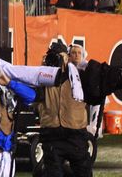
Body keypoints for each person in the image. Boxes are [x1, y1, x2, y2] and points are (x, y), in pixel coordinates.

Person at [35, 44, 91, 177]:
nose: (57, 59)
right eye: (53, 55)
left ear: (67, 57)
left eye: (60, 55)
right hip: (52, 135)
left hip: (75, 135)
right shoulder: (41, 76)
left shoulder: (80, 76)